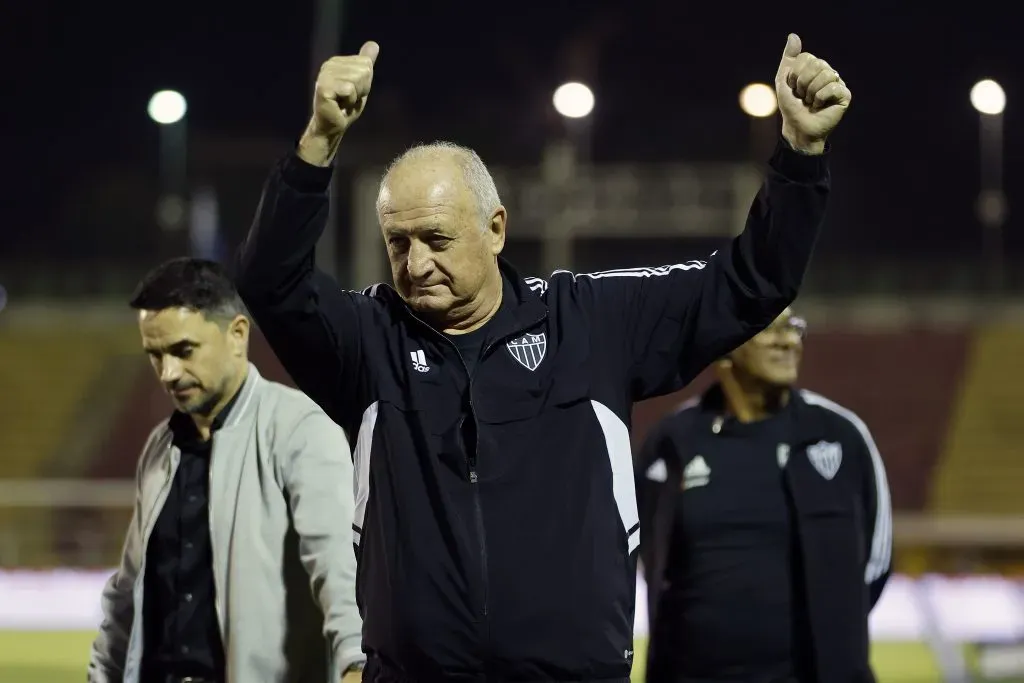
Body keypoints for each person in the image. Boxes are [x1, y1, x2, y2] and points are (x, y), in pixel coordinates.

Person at [234, 33, 850, 683]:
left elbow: (752, 282)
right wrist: (320, 141)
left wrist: (801, 154)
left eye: (436, 239)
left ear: (495, 228)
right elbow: (269, 281)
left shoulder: (592, 320)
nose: (416, 264)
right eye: (399, 242)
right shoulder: (368, 341)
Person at [87, 258, 365, 683]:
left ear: (237, 334)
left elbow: (338, 566)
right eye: (154, 356)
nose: (168, 373)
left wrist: (355, 662)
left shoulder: (299, 429)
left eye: (183, 351)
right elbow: (127, 594)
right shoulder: (160, 447)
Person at [635, 308, 892, 683]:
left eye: (793, 327)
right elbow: (644, 556)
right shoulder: (672, 441)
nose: (789, 341)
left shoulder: (840, 435)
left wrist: (836, 636)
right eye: (770, 329)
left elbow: (876, 562)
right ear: (723, 346)